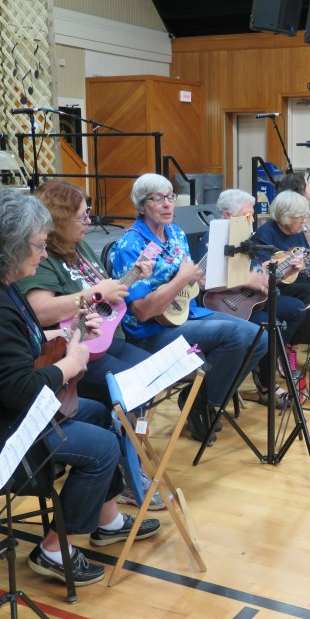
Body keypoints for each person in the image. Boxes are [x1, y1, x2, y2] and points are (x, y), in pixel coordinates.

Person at [0, 189, 159, 588]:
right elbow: (19, 389)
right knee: (102, 448)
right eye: (39, 246)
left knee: (100, 414)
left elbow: (17, 345)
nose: (45, 255)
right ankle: (53, 551)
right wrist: (69, 365)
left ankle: (106, 518)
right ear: (9, 247)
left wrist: (70, 329)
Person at [15, 180, 166, 511]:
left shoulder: (78, 246)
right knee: (135, 389)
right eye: (82, 217)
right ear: (59, 218)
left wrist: (133, 278)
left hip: (106, 339)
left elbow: (105, 293)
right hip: (73, 350)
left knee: (153, 378)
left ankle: (127, 455)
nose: (88, 223)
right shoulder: (41, 256)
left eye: (88, 217)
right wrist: (96, 294)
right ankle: (128, 473)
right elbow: (40, 312)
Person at [109, 174, 268, 442]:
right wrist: (184, 277)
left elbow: (191, 284)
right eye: (158, 199)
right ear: (140, 206)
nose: (167, 204)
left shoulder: (176, 234)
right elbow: (143, 311)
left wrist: (200, 278)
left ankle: (203, 400)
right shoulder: (129, 245)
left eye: (170, 197)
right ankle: (201, 403)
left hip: (188, 314)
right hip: (151, 332)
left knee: (261, 339)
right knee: (237, 335)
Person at [194, 188, 307, 397]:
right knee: (269, 325)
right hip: (225, 305)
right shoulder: (211, 240)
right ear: (229, 215)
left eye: (252, 213)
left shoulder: (246, 238)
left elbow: (261, 279)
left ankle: (270, 365)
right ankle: (266, 384)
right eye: (248, 214)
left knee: (296, 309)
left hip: (250, 301)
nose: (252, 218)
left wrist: (286, 272)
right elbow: (203, 283)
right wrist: (249, 280)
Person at [253, 190, 310, 367]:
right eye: (300, 216)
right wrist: (288, 268)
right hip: (278, 286)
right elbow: (263, 275)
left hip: (298, 281)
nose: (304, 220)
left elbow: (309, 272)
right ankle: (289, 348)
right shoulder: (266, 234)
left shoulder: (298, 232)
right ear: (286, 216)